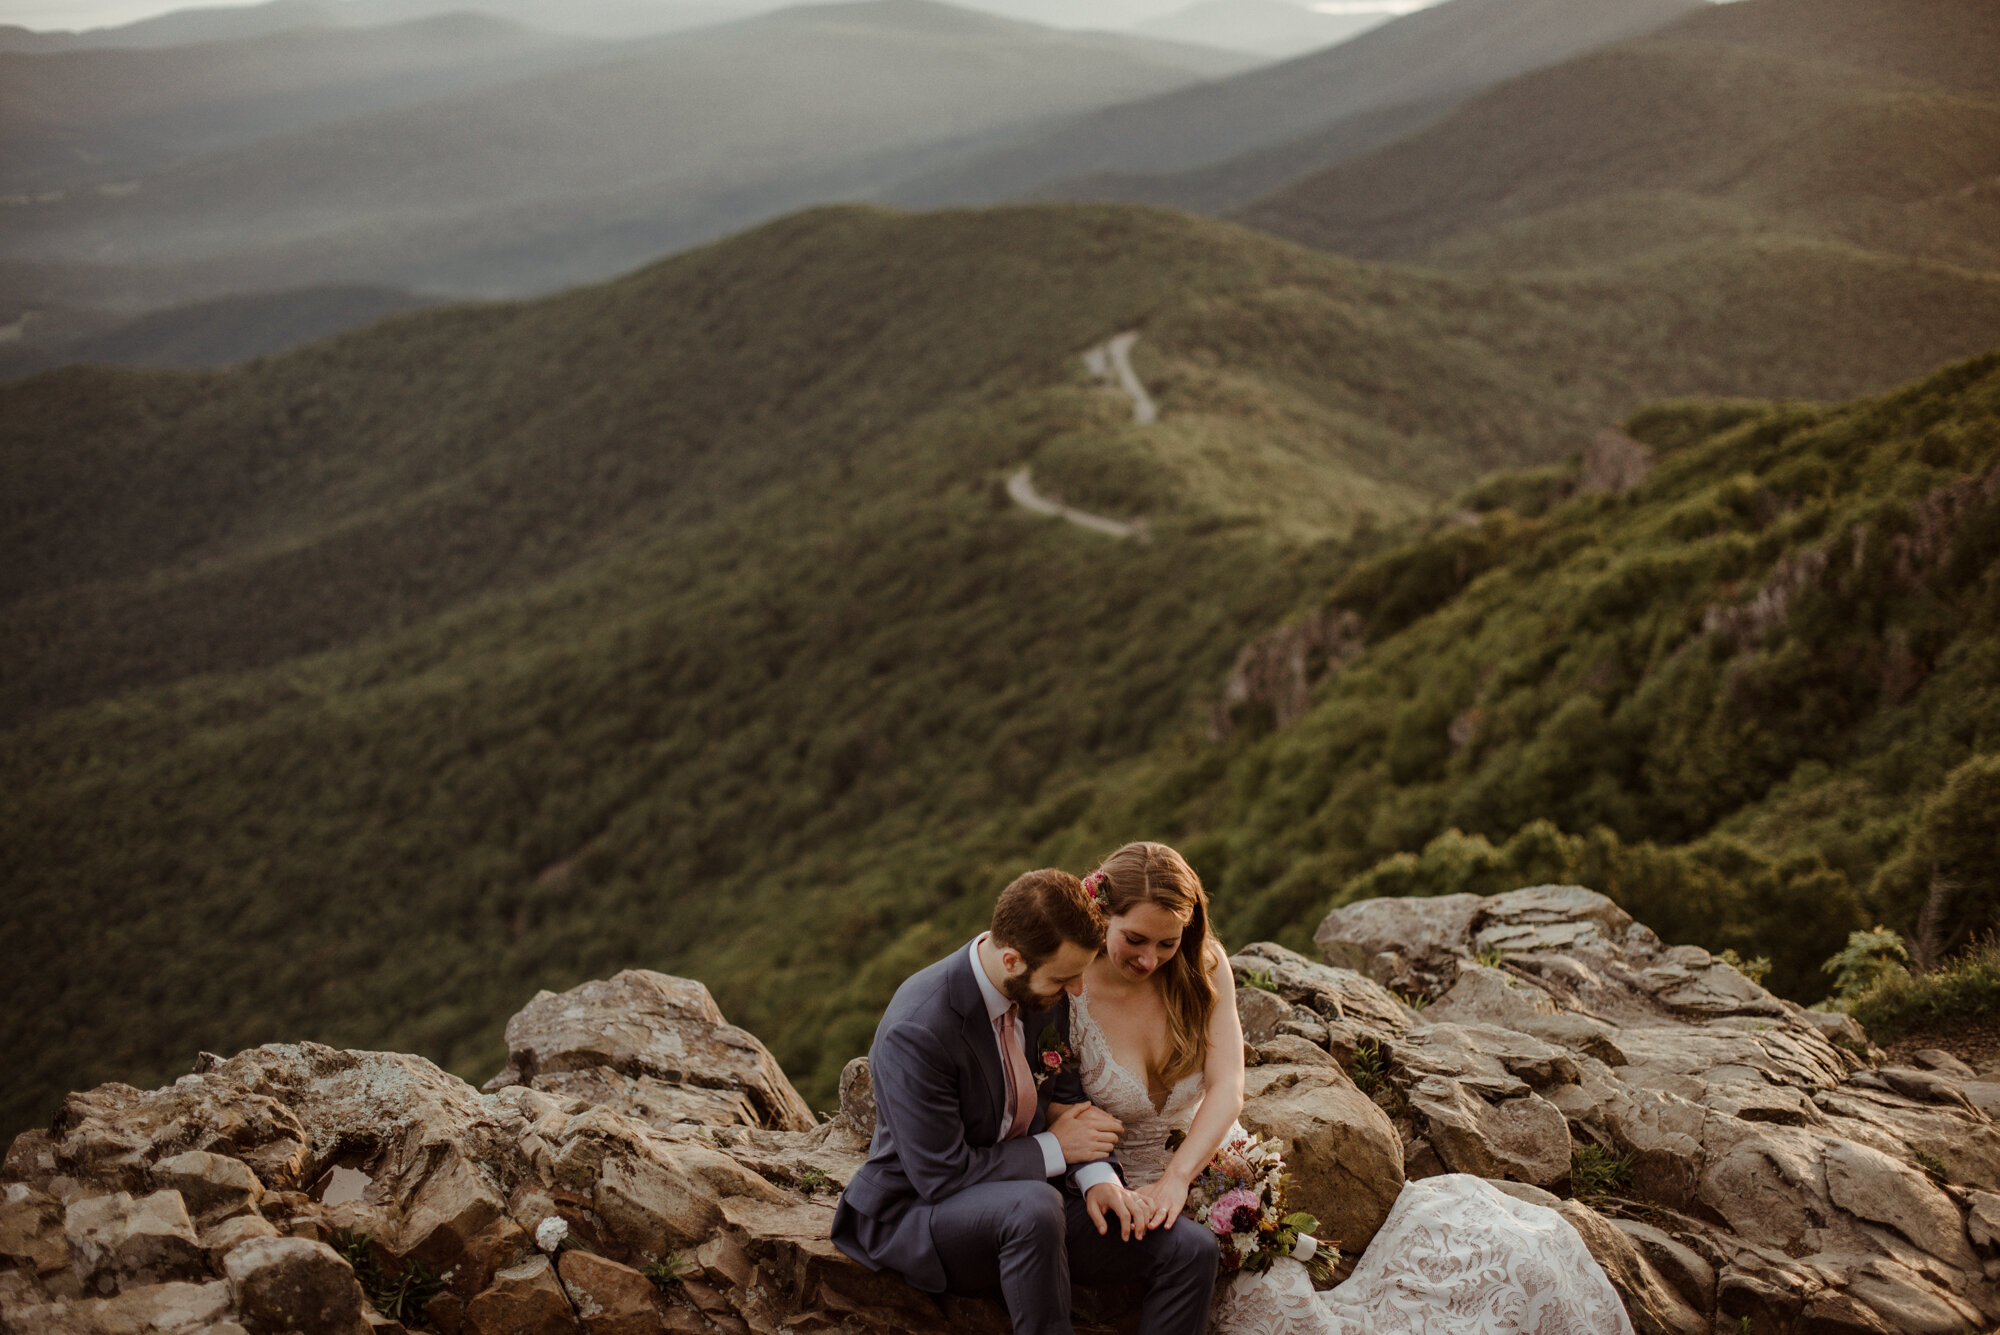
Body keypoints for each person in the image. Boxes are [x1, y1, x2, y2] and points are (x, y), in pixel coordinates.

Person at [1067, 841, 1636, 1335]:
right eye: (1135, 940)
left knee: (1280, 1303)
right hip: (1118, 1183)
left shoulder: (1203, 966)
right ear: (1101, 913)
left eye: (1168, 944)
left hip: (1208, 1165)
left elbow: (1227, 1087)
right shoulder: (1068, 986)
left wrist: (1179, 1179)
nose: (1150, 959)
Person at [831, 866, 1220, 1335]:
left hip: (1034, 1212)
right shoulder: (919, 1029)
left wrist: (1099, 1182)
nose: (1077, 991)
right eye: (1065, 981)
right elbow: (939, 1174)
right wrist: (1055, 1149)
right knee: (1033, 1206)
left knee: (1192, 1249)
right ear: (1012, 960)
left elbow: (1071, 1096)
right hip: (920, 1214)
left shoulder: (1044, 988)